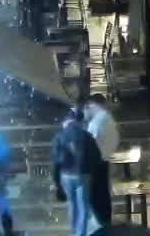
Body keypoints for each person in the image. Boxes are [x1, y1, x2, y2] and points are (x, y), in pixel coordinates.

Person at [50, 107, 105, 236]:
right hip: (83, 175)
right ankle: (81, 233)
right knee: (83, 207)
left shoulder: (60, 136)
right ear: (79, 120)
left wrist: (57, 185)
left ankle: (74, 231)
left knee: (72, 205)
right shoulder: (86, 136)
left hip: (66, 176)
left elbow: (55, 163)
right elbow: (97, 157)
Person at [83, 94, 119, 230]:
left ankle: (101, 227)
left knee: (96, 199)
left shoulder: (96, 123)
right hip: (104, 162)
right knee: (103, 198)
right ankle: (105, 225)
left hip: (96, 165)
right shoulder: (107, 119)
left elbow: (90, 146)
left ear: (91, 106)